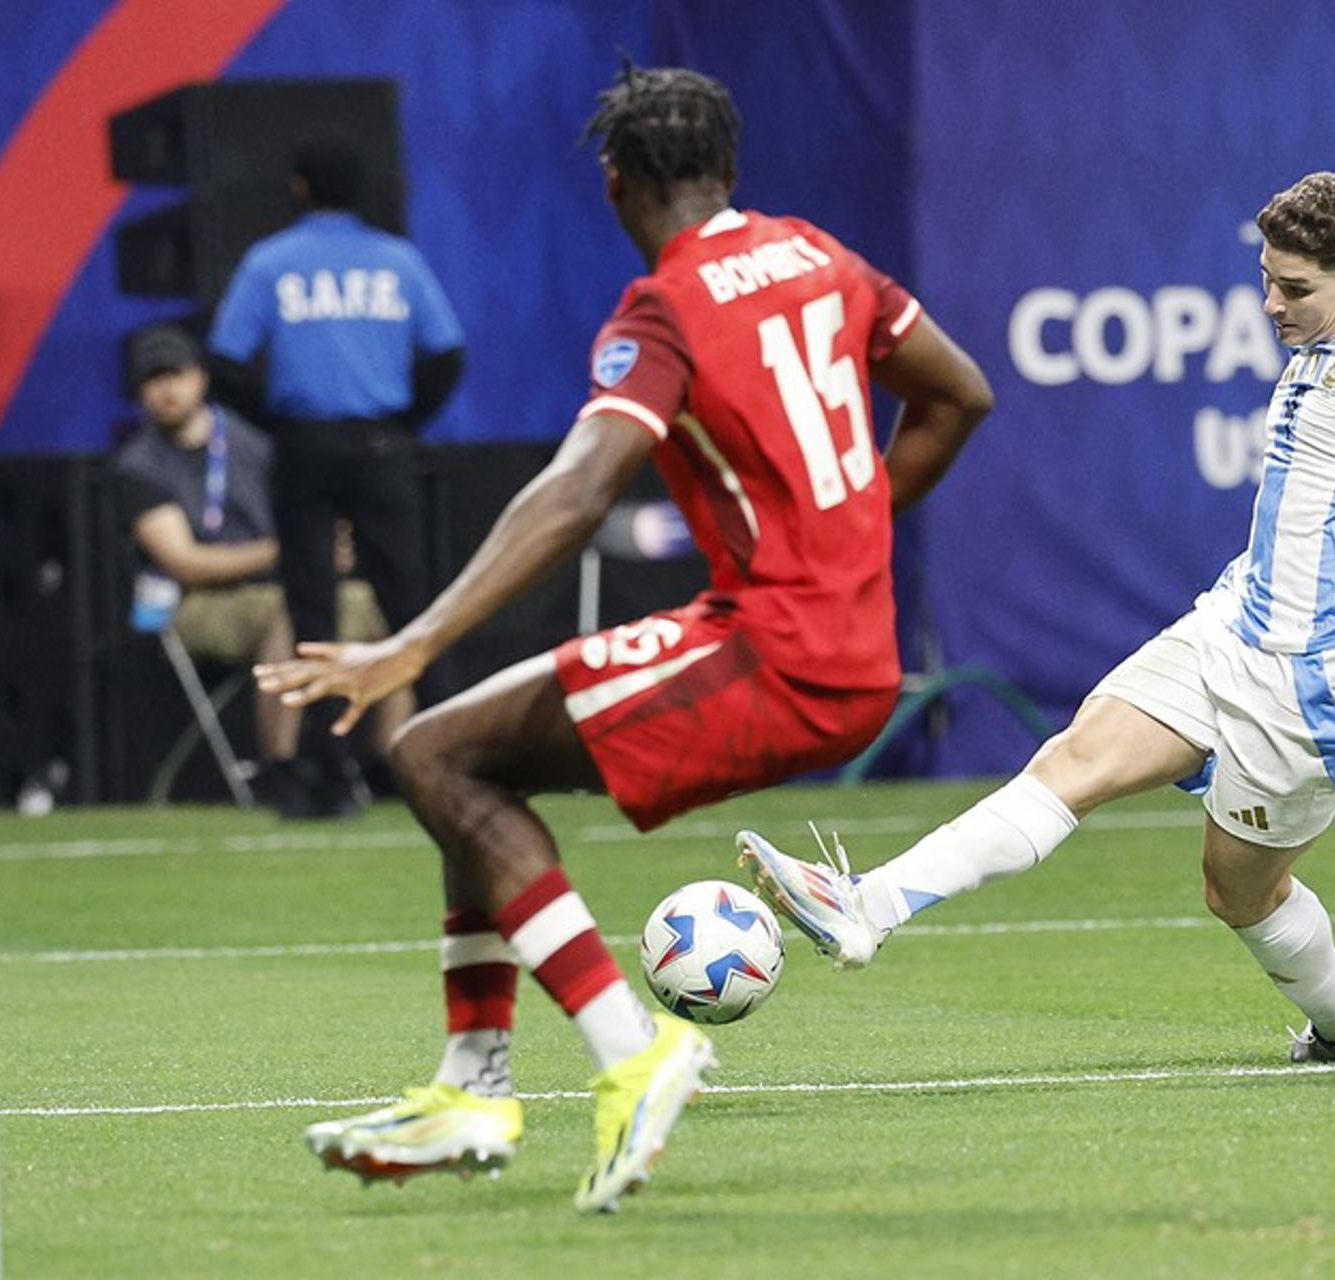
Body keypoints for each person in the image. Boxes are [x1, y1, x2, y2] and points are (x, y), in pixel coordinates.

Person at [256, 64, 992, 1212]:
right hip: (839, 644)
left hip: (778, 652)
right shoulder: (820, 256)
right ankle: (471, 1081)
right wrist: (848, 533)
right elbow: (959, 394)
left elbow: (576, 490)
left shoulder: (667, 305)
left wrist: (414, 638)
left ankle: (631, 1047)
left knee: (431, 751)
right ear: (728, 169)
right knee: (464, 752)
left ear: (615, 183)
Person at [740, 172, 1335, 1067]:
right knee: (1073, 761)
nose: (1271, 304)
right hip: (1233, 627)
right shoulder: (1324, 338)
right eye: (1266, 278)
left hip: (1319, 683)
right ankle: (867, 907)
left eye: (1295, 289)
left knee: (1238, 892)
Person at [207, 136, 466, 815]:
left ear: (298, 188)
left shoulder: (271, 263)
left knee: (312, 608)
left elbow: (226, 364)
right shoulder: (397, 261)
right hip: (383, 446)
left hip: (305, 448)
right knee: (411, 602)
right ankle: (465, 750)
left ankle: (322, 776)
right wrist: (404, 422)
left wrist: (280, 421)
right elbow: (445, 355)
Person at [111, 326, 410, 817]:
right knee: (295, 613)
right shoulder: (139, 467)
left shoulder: (254, 444)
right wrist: (289, 553)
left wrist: (329, 547)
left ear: (201, 378)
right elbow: (185, 562)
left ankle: (390, 761)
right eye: (153, 379)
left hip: (286, 580)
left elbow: (315, 517)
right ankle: (285, 766)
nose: (167, 390)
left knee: (392, 613)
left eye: (176, 375)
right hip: (199, 605)